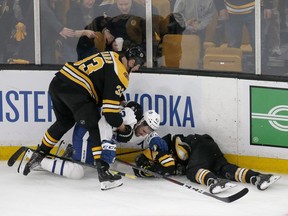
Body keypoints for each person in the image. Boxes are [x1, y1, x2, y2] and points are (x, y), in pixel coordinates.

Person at [20, 46, 146, 190]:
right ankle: (102, 172)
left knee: (64, 122)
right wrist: (124, 128)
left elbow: (104, 81)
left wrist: (122, 101)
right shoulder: (121, 73)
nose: (136, 69)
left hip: (59, 83)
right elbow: (110, 114)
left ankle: (39, 154)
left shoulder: (112, 55)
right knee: (93, 125)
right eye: (137, 65)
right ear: (132, 61)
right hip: (77, 90)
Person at [133, 133, 281, 194]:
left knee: (193, 171)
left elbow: (168, 166)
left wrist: (151, 170)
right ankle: (258, 177)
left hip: (200, 147)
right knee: (225, 169)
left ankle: (214, 181)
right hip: (207, 147)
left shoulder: (156, 150)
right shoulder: (162, 145)